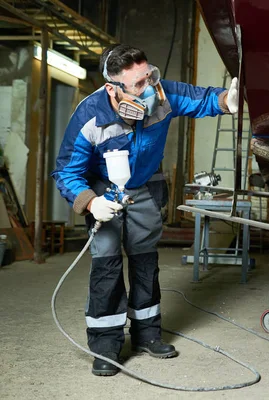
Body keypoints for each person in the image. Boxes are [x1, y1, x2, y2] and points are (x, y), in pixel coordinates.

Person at [51, 44, 238, 376]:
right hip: (102, 188)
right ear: (112, 88)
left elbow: (202, 98)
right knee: (107, 261)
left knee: (144, 260)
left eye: (149, 76)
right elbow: (66, 170)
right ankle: (106, 343)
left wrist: (227, 101)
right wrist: (91, 202)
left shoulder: (162, 95)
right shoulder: (90, 115)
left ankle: (147, 334)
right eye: (138, 84)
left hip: (145, 186)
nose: (149, 87)